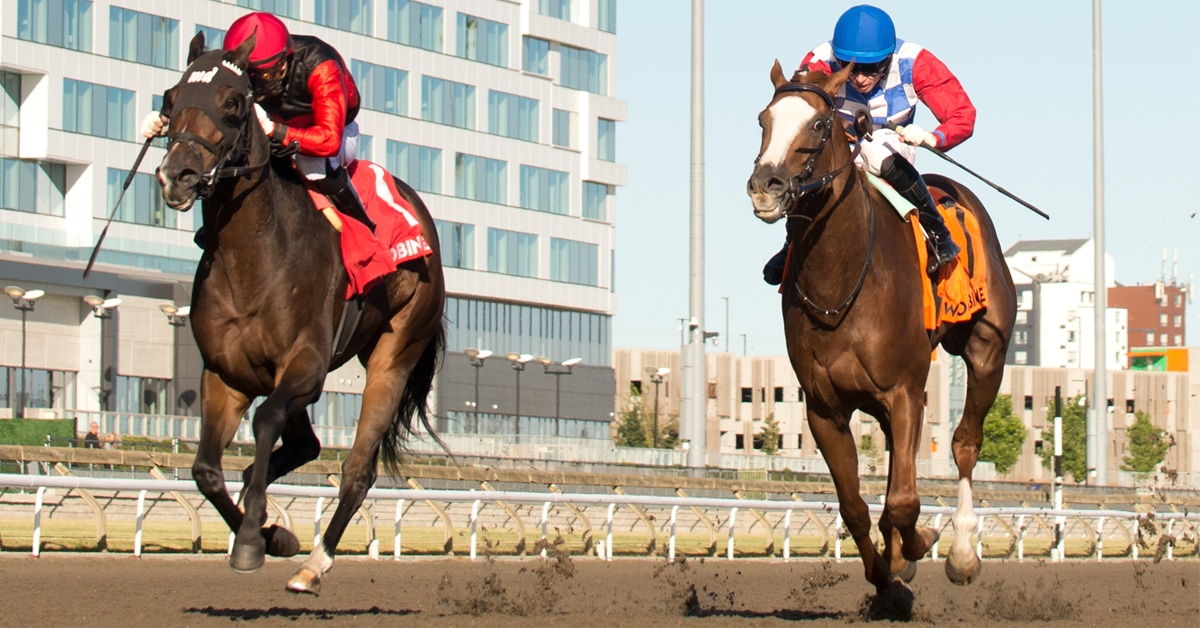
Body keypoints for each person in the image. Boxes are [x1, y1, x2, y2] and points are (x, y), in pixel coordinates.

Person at [763, 4, 972, 285]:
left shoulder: (916, 61)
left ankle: (936, 230)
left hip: (891, 143)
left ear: (887, 58)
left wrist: (931, 137)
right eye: (851, 67)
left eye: (870, 68)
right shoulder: (820, 60)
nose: (860, 78)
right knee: (809, 159)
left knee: (875, 149)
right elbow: (800, 108)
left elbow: (962, 114)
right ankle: (792, 241)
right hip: (840, 146)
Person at [141, 12, 375, 235]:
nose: (258, 83)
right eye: (252, 75)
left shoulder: (322, 67)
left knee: (312, 167)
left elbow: (328, 140)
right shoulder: (239, 67)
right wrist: (166, 119)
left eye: (265, 74)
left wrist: (274, 129)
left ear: (285, 60)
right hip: (273, 128)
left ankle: (364, 229)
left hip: (335, 133)